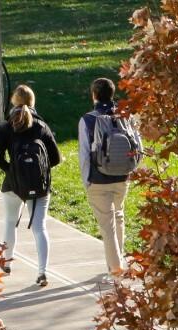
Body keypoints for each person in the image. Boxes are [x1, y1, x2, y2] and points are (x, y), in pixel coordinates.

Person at [0, 85, 62, 288]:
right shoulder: (41, 126)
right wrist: (37, 171)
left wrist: (13, 171)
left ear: (14, 101)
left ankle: (6, 262)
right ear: (33, 102)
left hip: (12, 185)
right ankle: (42, 272)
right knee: (40, 227)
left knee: (10, 221)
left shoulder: (5, 127)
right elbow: (55, 158)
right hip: (39, 186)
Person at [77, 77, 134, 278]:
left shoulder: (88, 119)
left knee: (107, 224)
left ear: (94, 95)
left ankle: (116, 267)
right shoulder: (125, 116)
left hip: (98, 178)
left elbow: (84, 154)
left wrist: (87, 180)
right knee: (118, 216)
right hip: (122, 176)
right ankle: (119, 260)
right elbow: (137, 146)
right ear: (112, 94)